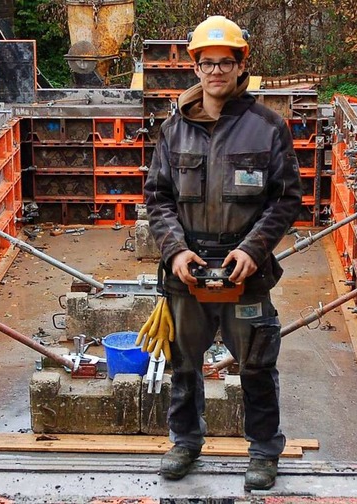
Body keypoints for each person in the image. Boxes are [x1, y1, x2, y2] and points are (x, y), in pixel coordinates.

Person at [143, 15, 302, 491]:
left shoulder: (267, 127)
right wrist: (174, 252)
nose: (216, 71)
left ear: (240, 66)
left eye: (225, 62)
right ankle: (186, 443)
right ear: (195, 67)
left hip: (244, 271)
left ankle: (264, 451)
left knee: (255, 362)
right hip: (188, 271)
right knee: (184, 363)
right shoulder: (174, 130)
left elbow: (286, 198)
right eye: (207, 62)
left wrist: (254, 249)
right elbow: (158, 198)